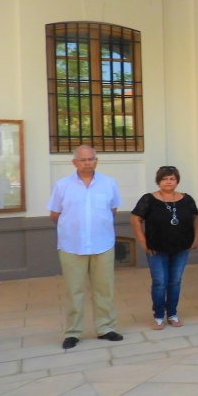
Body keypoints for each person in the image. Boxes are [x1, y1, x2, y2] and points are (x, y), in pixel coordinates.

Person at [48, 145, 123, 350]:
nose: (88, 162)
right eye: (83, 160)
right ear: (74, 163)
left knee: (104, 289)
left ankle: (105, 328)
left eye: (91, 159)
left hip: (103, 244)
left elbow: (113, 210)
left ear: (96, 161)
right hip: (72, 245)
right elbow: (54, 214)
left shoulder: (109, 183)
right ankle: (73, 332)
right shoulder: (62, 185)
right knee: (74, 290)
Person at [130, 166, 198, 329]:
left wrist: (197, 237)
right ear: (158, 181)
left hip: (181, 248)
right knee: (160, 282)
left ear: (177, 181)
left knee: (175, 282)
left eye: (172, 178)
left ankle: (173, 314)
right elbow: (135, 219)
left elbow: (195, 217)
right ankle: (158, 316)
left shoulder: (187, 199)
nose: (168, 181)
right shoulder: (148, 199)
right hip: (156, 249)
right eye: (164, 178)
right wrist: (143, 242)